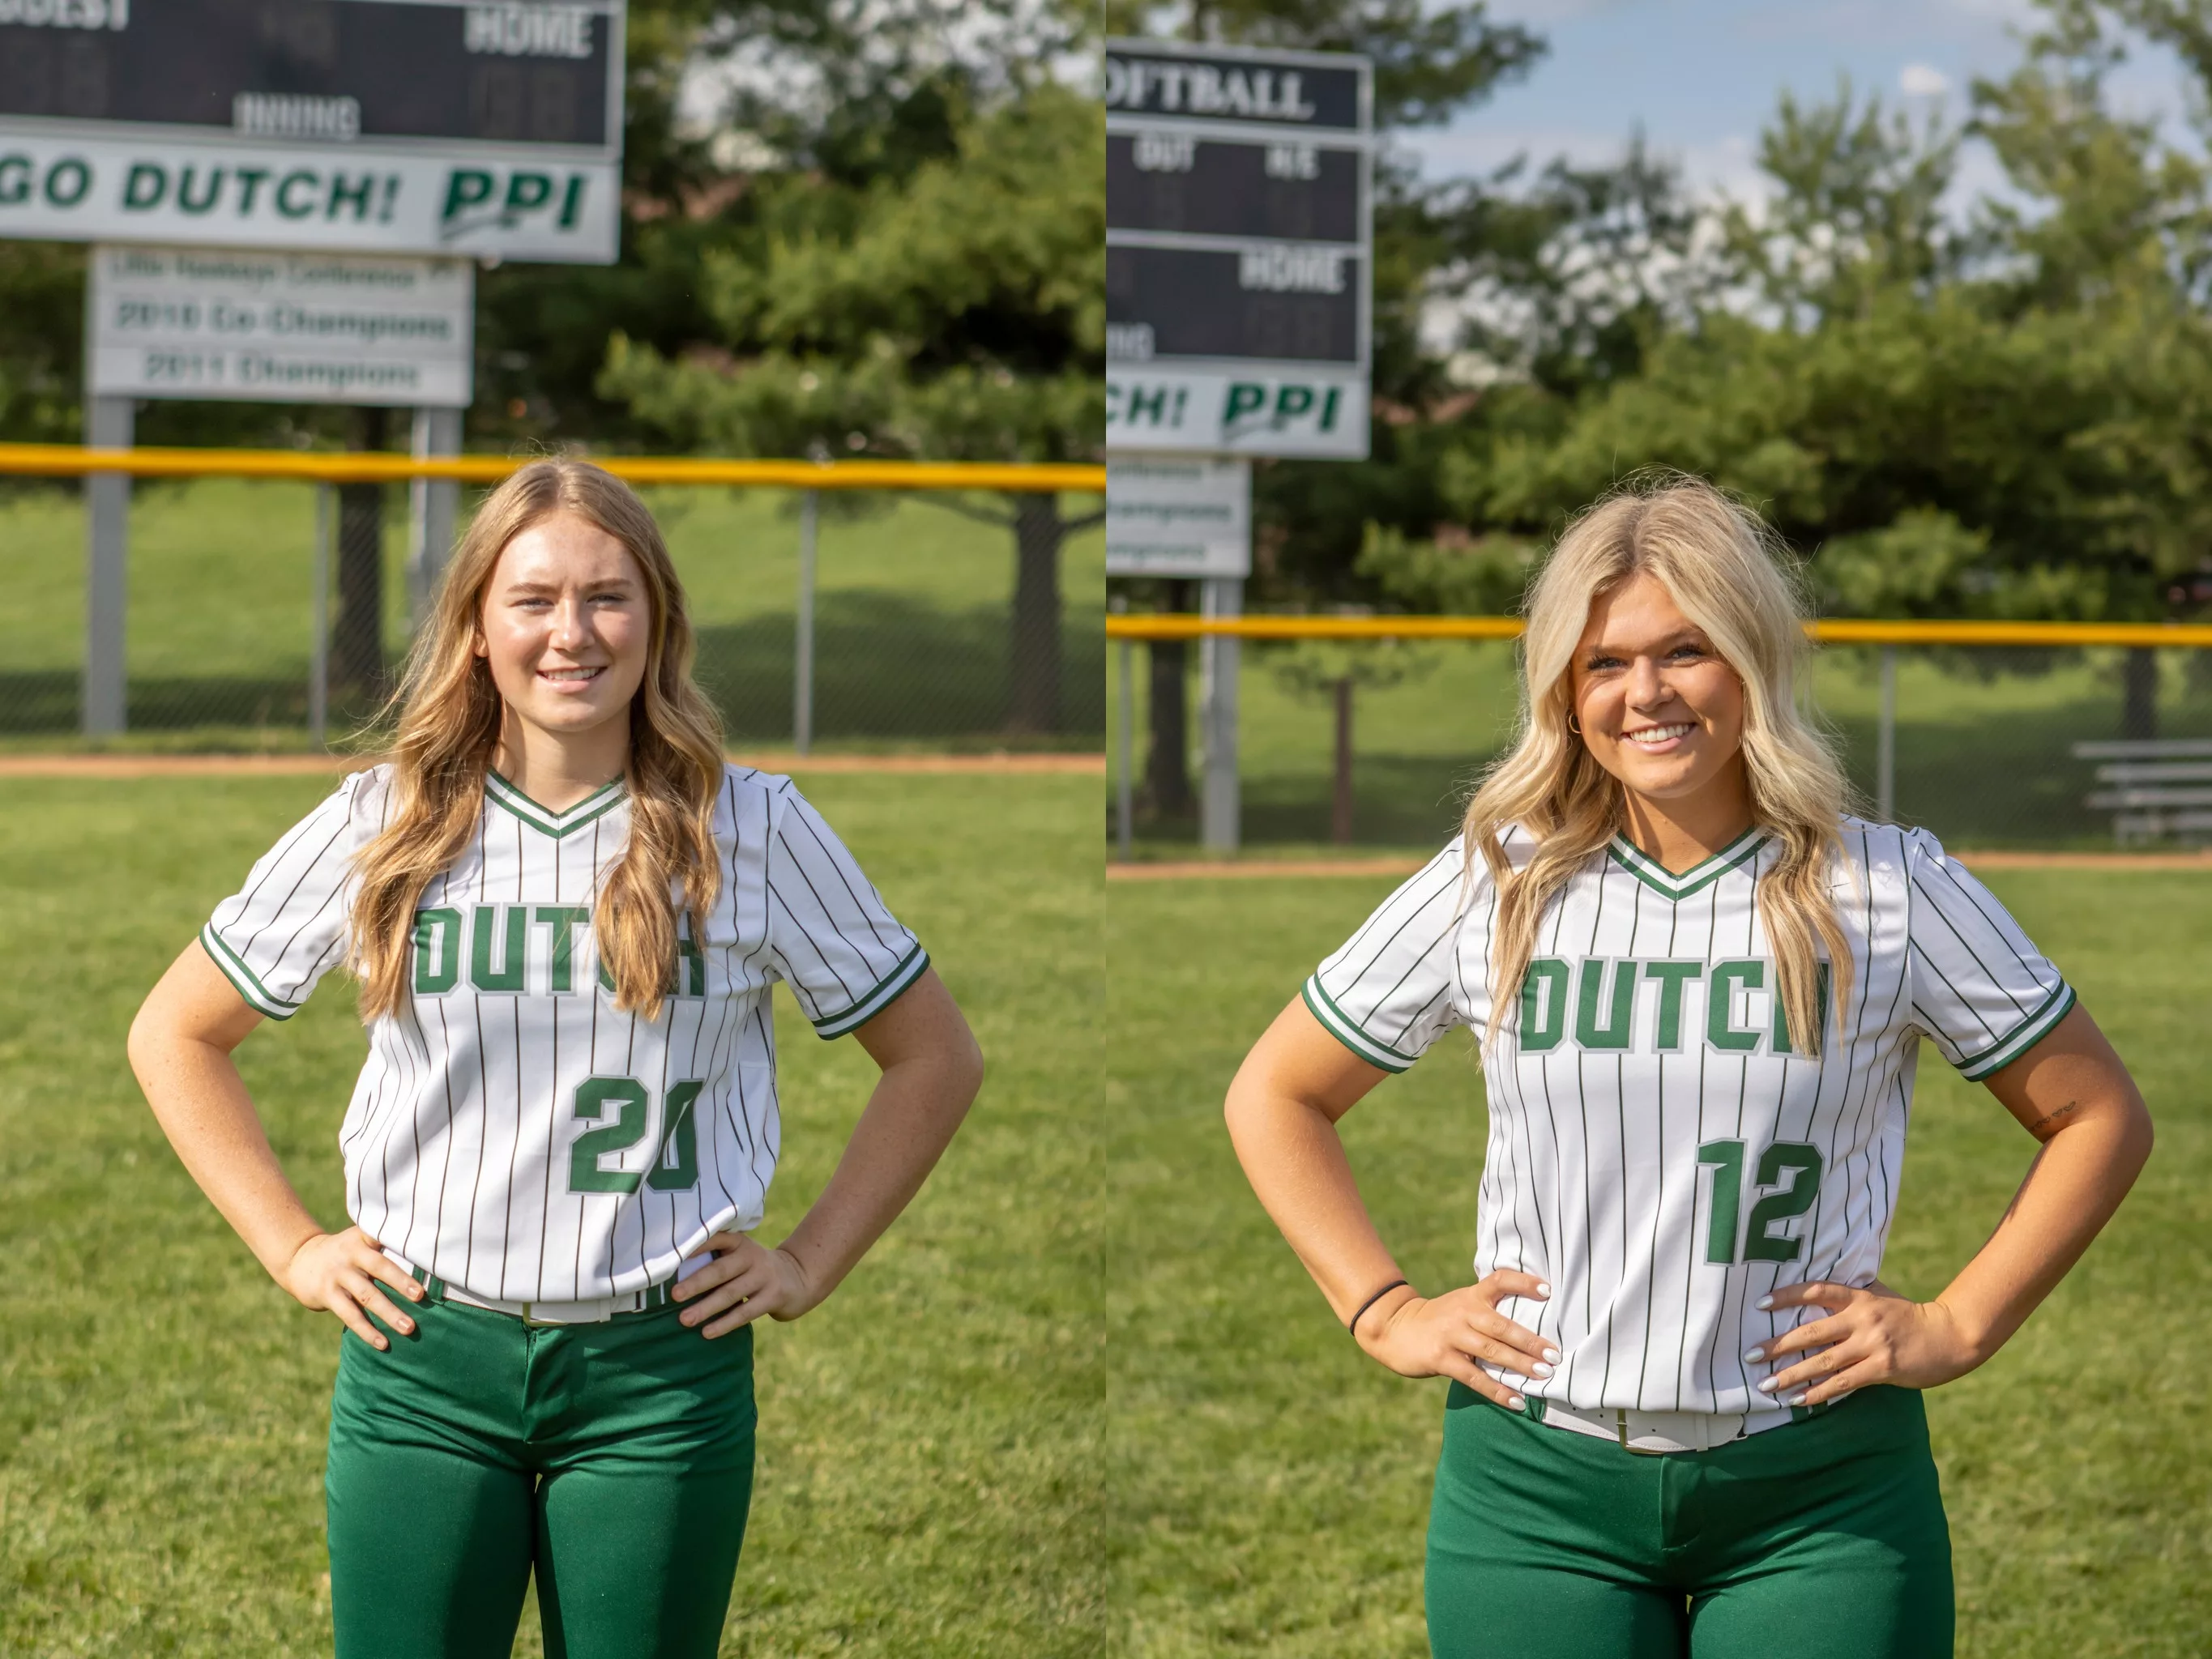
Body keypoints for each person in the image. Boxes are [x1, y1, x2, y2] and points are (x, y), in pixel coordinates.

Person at [1223, 476, 2152, 1659]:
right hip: (1532, 1489)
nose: (1644, 693)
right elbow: (1276, 1091)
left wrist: (1959, 1323)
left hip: (1817, 1491)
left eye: (1684, 651)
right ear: (1563, 688)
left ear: (1751, 661)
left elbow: (2098, 1115)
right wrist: (1381, 1309)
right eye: (1603, 662)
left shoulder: (1888, 889)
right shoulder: (1495, 884)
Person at [126, 458, 984, 1659]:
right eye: (532, 600)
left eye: (607, 597)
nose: (570, 632)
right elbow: (175, 1031)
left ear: (658, 622)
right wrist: (295, 1246)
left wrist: (805, 1264)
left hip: (659, 1376)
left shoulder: (757, 827)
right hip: (423, 1361)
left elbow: (935, 1055)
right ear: (477, 628)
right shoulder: (388, 820)